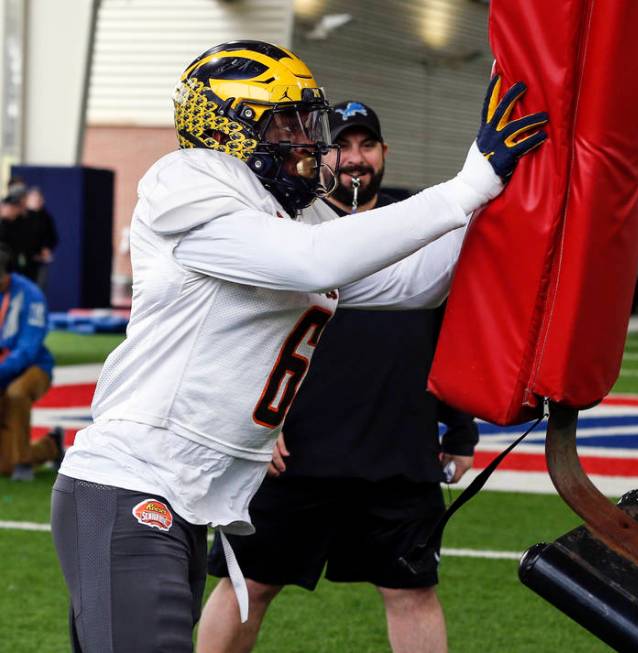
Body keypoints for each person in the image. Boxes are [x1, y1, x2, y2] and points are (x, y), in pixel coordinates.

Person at [50, 40, 547, 653]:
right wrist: (466, 185)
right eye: (287, 122)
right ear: (226, 127)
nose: (309, 140)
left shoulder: (292, 216)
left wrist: (512, 196)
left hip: (185, 499)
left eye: (306, 121)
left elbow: (412, 280)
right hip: (130, 484)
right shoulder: (186, 182)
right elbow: (314, 261)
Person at [198, 100, 479, 653]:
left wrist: (460, 429)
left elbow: (450, 333)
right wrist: (250, 422)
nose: (354, 159)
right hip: (294, 449)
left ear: (384, 153)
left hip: (398, 449)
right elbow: (237, 330)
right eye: (341, 146)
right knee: (246, 585)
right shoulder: (284, 229)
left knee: (412, 590)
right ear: (318, 153)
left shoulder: (417, 229)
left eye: (366, 145)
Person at [0, 243, 60, 481]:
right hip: (4, 369)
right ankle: (51, 446)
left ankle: (24, 464)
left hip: (33, 368)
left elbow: (28, 349)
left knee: (16, 393)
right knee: (4, 466)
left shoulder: (30, 295)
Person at [19, 188, 59, 287]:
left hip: (40, 261)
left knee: (39, 287)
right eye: (33, 198)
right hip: (24, 260)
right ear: (27, 200)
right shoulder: (21, 216)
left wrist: (47, 248)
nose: (36, 201)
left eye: (38, 198)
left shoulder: (46, 217)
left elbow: (53, 237)